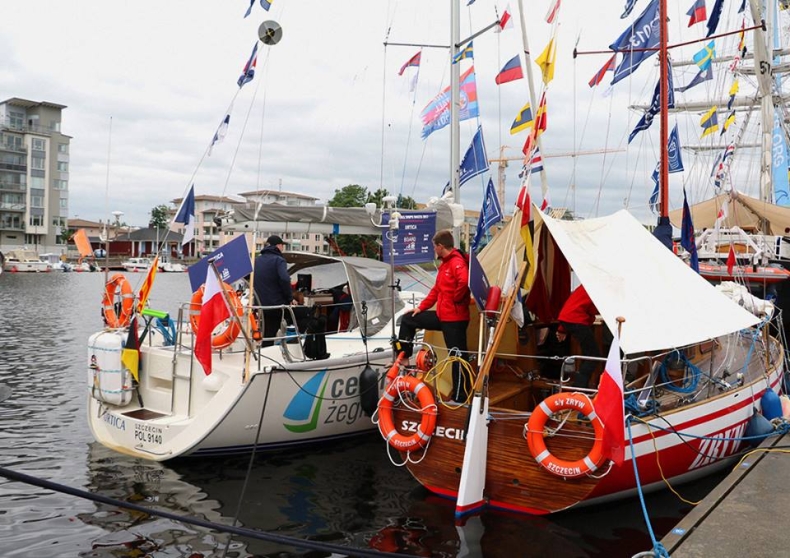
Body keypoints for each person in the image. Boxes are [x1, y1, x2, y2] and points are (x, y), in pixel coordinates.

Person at [397, 230, 471, 401]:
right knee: (409, 319)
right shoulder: (445, 264)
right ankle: (405, 357)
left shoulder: (456, 262)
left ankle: (461, 397)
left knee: (457, 357)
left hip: (455, 319)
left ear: (440, 246)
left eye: (434, 246)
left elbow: (464, 281)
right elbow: (436, 290)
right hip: (443, 316)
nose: (434, 250)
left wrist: (456, 299)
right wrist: (420, 308)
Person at [555, 284, 600, 389]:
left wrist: (562, 329)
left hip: (569, 319)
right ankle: (579, 387)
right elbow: (594, 309)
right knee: (593, 356)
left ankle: (580, 384)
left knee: (587, 354)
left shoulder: (585, 284)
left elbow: (572, 306)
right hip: (577, 320)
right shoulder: (597, 285)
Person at [253, 235, 293, 345]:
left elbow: (249, 278)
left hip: (260, 304)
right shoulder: (279, 260)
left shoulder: (256, 260)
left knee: (267, 332)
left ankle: (264, 350)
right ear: (278, 246)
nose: (282, 248)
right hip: (275, 304)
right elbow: (284, 279)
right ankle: (298, 342)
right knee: (303, 314)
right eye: (282, 245)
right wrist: (290, 298)